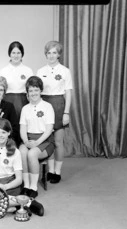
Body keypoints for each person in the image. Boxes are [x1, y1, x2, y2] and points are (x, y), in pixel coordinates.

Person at [0, 118, 44, 216]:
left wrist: (5, 187)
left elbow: (19, 179)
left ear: (9, 133)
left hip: (9, 184)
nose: (0, 135)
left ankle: (5, 206)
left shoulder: (15, 152)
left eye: (3, 132)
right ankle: (23, 203)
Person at [36, 41, 73, 184]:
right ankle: (50, 170)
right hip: (44, 106)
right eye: (49, 53)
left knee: (58, 142)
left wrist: (66, 112)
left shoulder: (65, 71)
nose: (51, 56)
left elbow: (68, 93)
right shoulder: (40, 71)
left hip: (58, 105)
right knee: (47, 141)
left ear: (59, 54)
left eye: (54, 53)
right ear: (46, 54)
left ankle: (57, 171)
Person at [19, 76, 55, 198]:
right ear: (27, 93)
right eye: (31, 90)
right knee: (22, 152)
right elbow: (23, 128)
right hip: (28, 139)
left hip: (45, 141)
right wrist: (25, 141)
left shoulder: (47, 107)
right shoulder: (25, 108)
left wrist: (37, 142)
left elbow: (49, 130)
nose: (33, 93)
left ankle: (33, 186)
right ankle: (26, 185)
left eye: (36, 90)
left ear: (41, 91)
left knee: (32, 154)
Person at [0, 41, 33, 122]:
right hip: (7, 102)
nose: (16, 55)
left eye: (18, 53)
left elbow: (31, 90)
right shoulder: (3, 71)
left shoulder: (28, 70)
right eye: (13, 53)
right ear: (9, 54)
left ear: (22, 54)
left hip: (23, 102)